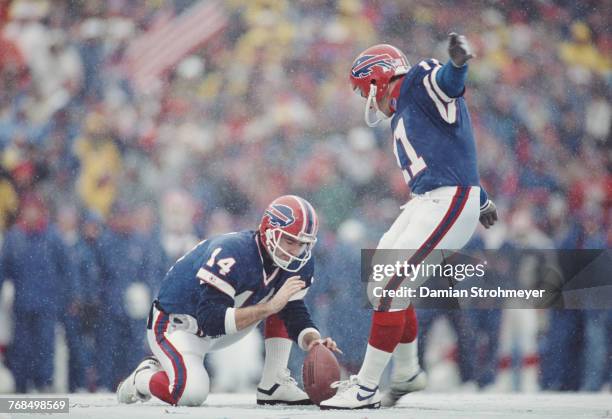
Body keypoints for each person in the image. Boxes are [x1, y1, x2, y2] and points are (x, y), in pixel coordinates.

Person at [320, 34, 498, 409]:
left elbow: (448, 83)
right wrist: (480, 197)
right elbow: (452, 148)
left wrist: (458, 64)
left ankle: (367, 387)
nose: (363, 99)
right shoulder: (405, 106)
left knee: (391, 288)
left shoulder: (419, 80)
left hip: (446, 200)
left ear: (376, 80)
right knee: (381, 278)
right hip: (429, 200)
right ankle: (406, 371)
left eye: (362, 90)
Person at [117, 195, 339, 406]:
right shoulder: (234, 252)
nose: (296, 250)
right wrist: (269, 307)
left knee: (283, 301)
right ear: (269, 231)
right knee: (190, 393)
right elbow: (210, 319)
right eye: (290, 240)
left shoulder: (299, 262)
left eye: (303, 243)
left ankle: (274, 383)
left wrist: (313, 341)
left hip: (225, 324)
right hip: (178, 325)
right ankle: (143, 378)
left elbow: (293, 311)